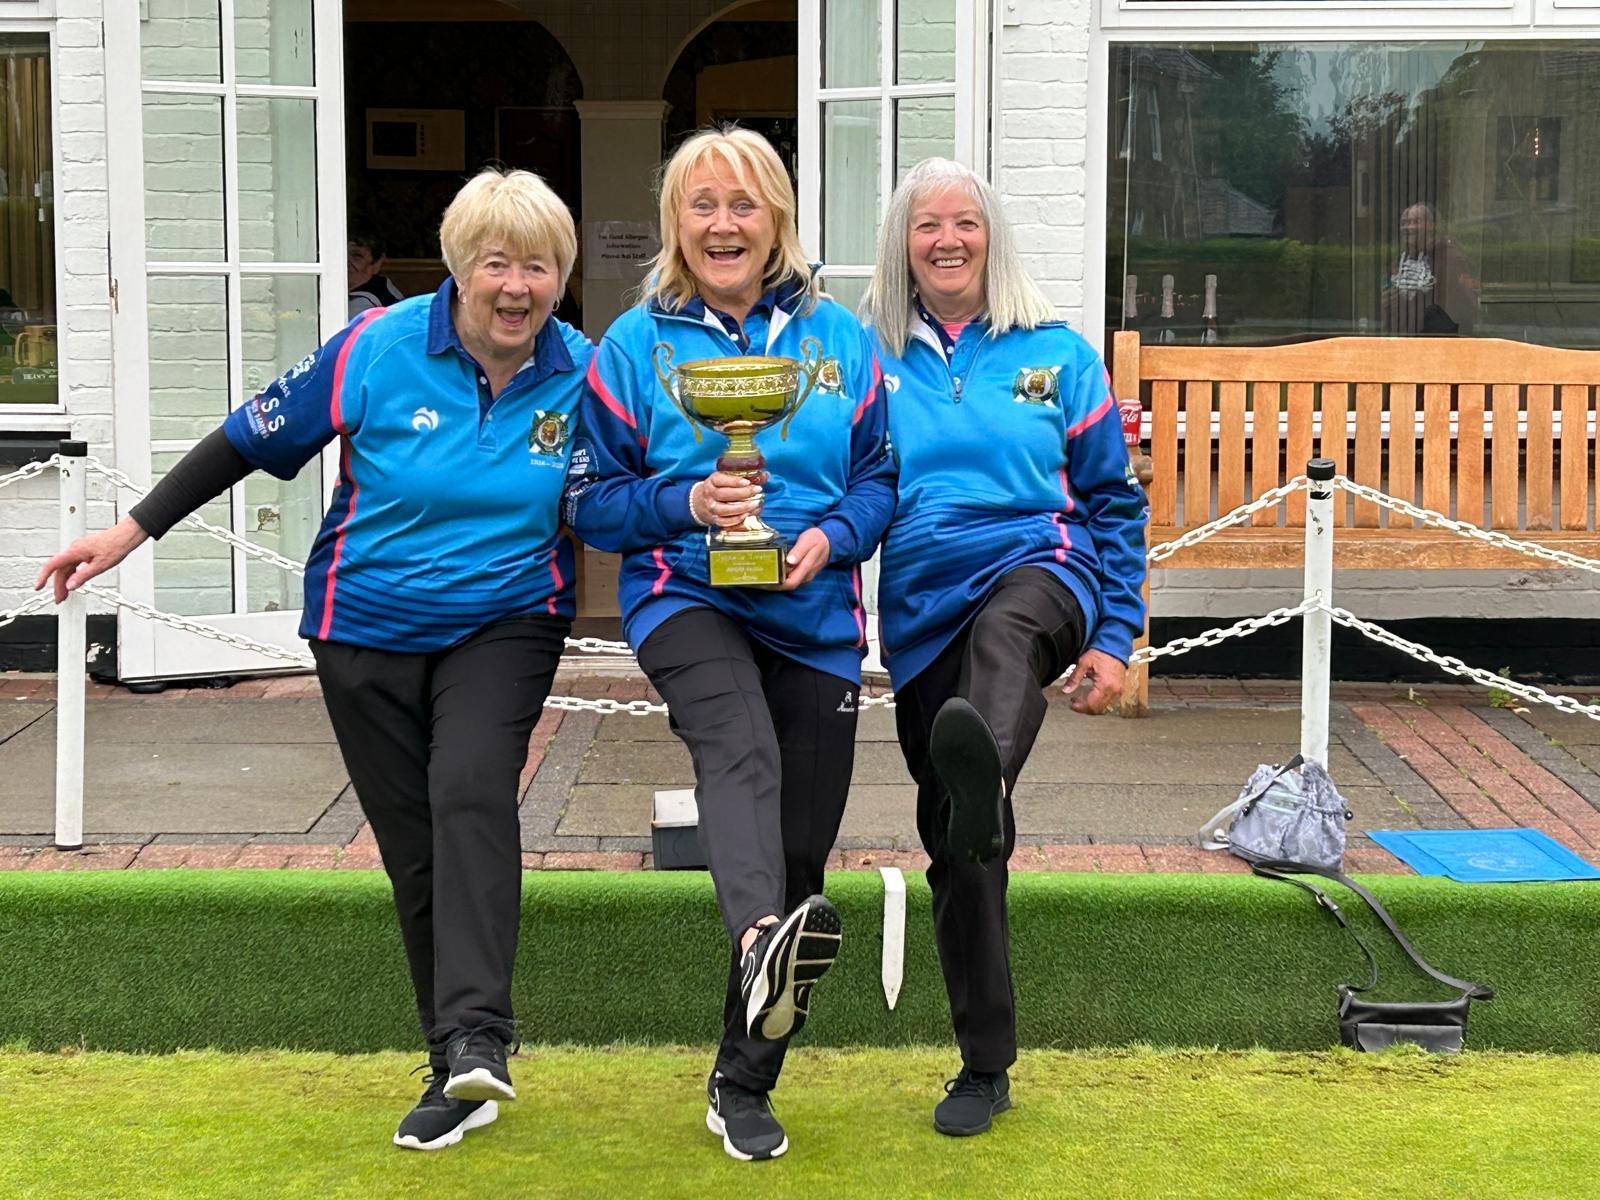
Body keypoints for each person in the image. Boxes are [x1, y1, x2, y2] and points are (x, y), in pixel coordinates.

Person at [37, 169, 590, 1154]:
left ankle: (480, 1035)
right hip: (362, 626)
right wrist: (128, 533)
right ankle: (450, 1068)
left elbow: (647, 480)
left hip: (506, 619)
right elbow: (248, 438)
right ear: (460, 268)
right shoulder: (377, 348)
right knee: (416, 851)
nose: (517, 287)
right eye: (496, 263)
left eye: (538, 267)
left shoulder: (585, 372)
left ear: (561, 277)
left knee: (469, 790)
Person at [564, 126, 894, 1163]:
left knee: (797, 856)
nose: (722, 224)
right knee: (736, 748)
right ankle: (756, 938)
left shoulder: (841, 338)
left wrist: (829, 537)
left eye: (743, 204)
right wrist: (688, 499)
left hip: (814, 609)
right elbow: (590, 503)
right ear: (676, 222)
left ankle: (739, 1080)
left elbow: (881, 478)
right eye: (702, 205)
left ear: (777, 220)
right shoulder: (631, 346)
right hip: (684, 594)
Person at [863, 158, 1148, 1137]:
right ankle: (983, 1065)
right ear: (902, 244)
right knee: (961, 852)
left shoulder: (1059, 354)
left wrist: (1114, 637)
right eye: (926, 225)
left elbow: (1112, 500)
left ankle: (981, 763)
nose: (947, 240)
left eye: (965, 223)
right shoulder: (868, 361)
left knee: (1008, 627)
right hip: (918, 617)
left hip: (1046, 573)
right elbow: (840, 489)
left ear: (994, 239)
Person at [1381, 203, 1479, 335]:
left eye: (1416, 222)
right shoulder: (1399, 261)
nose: (1409, 227)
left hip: (1439, 342)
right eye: (1405, 223)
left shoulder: (1450, 258)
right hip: (1402, 342)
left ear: (1431, 225)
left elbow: (1465, 304)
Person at [348, 228, 406, 318]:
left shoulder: (364, 306)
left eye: (357, 256)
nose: (345, 262)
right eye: (341, 253)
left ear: (377, 263)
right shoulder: (384, 285)